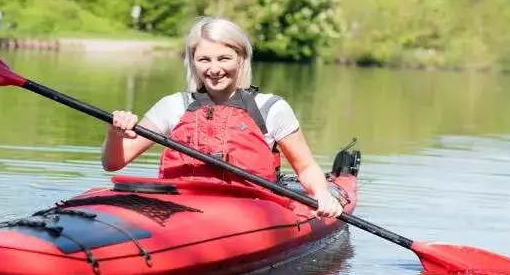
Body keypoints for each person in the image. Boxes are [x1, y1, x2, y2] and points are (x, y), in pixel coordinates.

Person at [100, 16, 343, 218]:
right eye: (204, 59)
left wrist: (322, 194)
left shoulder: (270, 108)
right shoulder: (173, 106)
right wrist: (115, 133)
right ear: (193, 62)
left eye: (223, 58)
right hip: (177, 209)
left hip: (250, 212)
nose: (214, 69)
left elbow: (306, 166)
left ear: (241, 58)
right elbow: (113, 163)